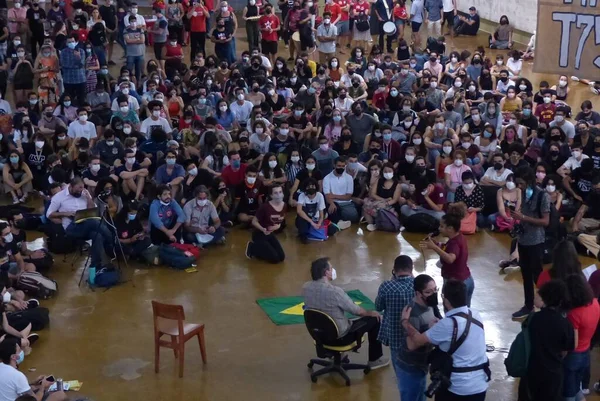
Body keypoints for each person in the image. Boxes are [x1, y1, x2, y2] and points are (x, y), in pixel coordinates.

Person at [401, 279, 490, 400]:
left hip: (457, 388)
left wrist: (405, 321)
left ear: (446, 300)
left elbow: (416, 341)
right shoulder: (475, 314)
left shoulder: (446, 325)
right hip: (480, 384)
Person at [303, 257, 390, 369]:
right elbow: (357, 311)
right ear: (326, 272)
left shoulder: (306, 288)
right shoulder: (335, 292)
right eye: (331, 268)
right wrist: (371, 313)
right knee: (375, 319)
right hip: (340, 338)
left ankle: (336, 356)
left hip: (318, 335)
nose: (333, 270)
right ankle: (375, 359)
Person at [518, 279, 575, 401]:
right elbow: (566, 350)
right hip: (553, 374)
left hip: (532, 370)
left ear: (545, 298)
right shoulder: (566, 324)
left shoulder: (533, 319)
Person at [375, 255, 422, 400]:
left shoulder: (386, 286)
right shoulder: (419, 286)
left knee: (401, 374)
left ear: (394, 270)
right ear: (411, 269)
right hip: (417, 338)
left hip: (395, 338)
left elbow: (378, 307)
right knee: (419, 376)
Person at [46, 177, 114, 270]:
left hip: (86, 223)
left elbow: (92, 209)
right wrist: (66, 213)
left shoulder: (84, 193)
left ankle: (95, 266)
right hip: (72, 227)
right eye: (79, 188)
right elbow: (49, 214)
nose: (81, 190)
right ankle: (113, 240)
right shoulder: (59, 197)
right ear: (71, 186)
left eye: (82, 188)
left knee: (96, 235)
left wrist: (88, 198)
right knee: (94, 222)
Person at [510, 166, 551, 319]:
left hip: (536, 241)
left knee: (537, 276)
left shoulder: (542, 196)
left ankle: (547, 305)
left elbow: (545, 221)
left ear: (529, 180)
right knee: (525, 275)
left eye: (521, 183)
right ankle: (528, 305)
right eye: (517, 184)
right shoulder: (524, 193)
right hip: (523, 240)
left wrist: (523, 218)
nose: (519, 187)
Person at [420, 213, 474, 306]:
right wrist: (436, 244)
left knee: (452, 311)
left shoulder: (454, 243)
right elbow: (447, 248)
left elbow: (450, 259)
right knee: (464, 312)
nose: (439, 229)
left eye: (441, 226)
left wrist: (434, 247)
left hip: (456, 284)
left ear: (450, 228)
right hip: (467, 279)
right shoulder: (459, 237)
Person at [562, 274, 600, 401]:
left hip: (573, 356)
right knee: (576, 387)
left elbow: (573, 342)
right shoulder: (595, 303)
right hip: (586, 353)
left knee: (568, 393)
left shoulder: (574, 314)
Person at [0, 341, 68, 401]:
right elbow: (35, 400)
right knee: (60, 395)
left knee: (32, 387)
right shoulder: (17, 375)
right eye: (19, 350)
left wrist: (32, 382)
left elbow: (12, 385)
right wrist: (42, 387)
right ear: (13, 357)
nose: (22, 351)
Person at [245, 184, 286, 263]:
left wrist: (277, 226)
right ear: (271, 195)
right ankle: (252, 247)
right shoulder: (265, 207)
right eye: (276, 193)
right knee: (275, 259)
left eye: (280, 192)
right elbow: (254, 221)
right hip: (259, 234)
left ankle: (263, 249)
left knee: (282, 257)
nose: (279, 195)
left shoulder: (284, 205)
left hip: (270, 234)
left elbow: (280, 220)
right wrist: (263, 229)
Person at [323, 157, 358, 228]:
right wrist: (332, 203)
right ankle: (339, 222)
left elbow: (348, 196)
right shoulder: (327, 178)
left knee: (354, 217)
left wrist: (333, 195)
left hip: (347, 203)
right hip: (333, 203)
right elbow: (327, 196)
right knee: (333, 209)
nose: (341, 168)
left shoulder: (349, 178)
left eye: (343, 166)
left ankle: (339, 220)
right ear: (334, 165)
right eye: (339, 166)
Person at [60, 35, 87, 106]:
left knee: (81, 99)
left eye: (72, 41)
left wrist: (78, 58)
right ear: (66, 43)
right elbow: (64, 64)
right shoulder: (63, 52)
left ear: (76, 42)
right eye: (69, 42)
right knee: (69, 99)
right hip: (68, 80)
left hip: (80, 79)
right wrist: (76, 65)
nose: (71, 43)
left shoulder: (81, 51)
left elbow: (81, 65)